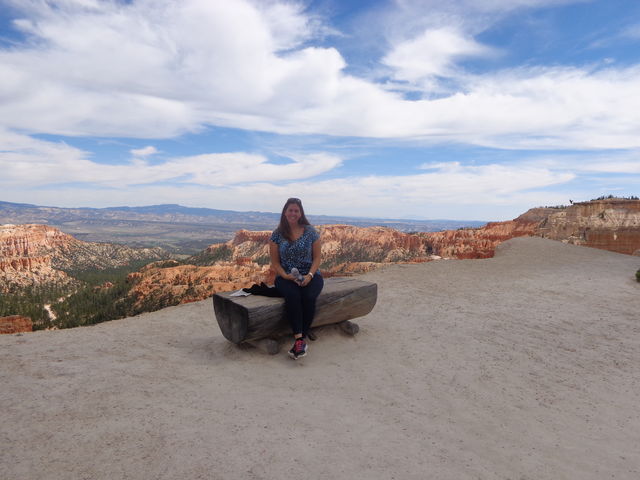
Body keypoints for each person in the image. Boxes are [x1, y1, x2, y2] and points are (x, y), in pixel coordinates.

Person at [269, 197, 323, 359]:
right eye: (290, 210)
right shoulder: (277, 235)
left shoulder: (310, 232)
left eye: (296, 210)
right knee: (293, 296)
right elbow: (275, 262)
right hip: (285, 277)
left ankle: (301, 339)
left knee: (309, 296)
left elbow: (317, 258)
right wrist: (285, 275)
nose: (293, 213)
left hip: (311, 274)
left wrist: (310, 276)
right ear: (285, 212)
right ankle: (299, 338)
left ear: (300, 213)